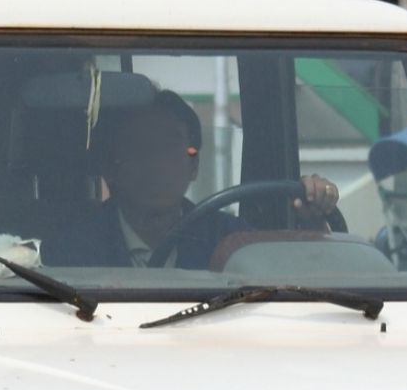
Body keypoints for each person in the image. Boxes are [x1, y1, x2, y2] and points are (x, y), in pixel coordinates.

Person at [41, 88, 342, 269]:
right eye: (139, 146)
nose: (156, 162)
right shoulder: (71, 249)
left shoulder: (231, 240)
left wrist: (314, 221)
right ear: (111, 169)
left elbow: (303, 284)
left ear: (193, 164)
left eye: (170, 146)